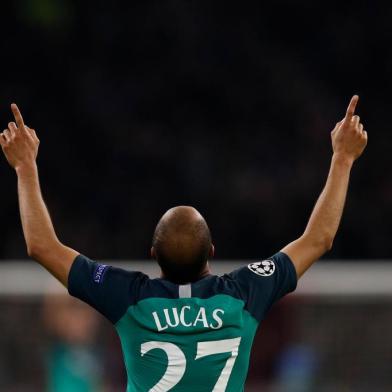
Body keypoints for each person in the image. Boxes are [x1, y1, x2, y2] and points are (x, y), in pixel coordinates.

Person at [0, 96, 367, 391]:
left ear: (152, 256)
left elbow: (41, 246)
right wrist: (343, 159)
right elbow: (319, 238)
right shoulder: (244, 294)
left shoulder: (128, 296)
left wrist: (25, 168)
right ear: (212, 253)